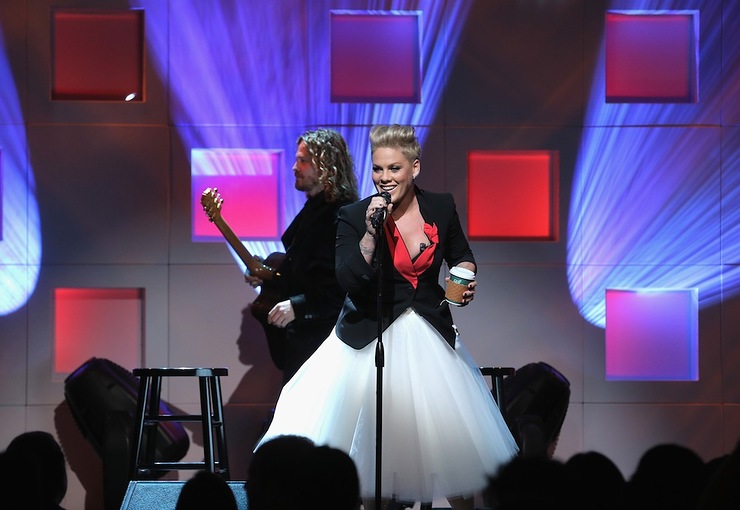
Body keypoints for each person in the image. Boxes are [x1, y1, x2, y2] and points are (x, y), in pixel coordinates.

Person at [257, 124, 518, 509]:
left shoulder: (441, 207)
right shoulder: (353, 214)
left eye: (394, 169)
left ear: (414, 168)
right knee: (370, 465)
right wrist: (368, 235)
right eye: (378, 169)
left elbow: (461, 254)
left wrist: (464, 279)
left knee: (451, 458)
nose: (385, 178)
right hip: (368, 336)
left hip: (429, 335)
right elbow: (347, 278)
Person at [245, 128, 359, 384]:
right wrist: (267, 277)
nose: (295, 167)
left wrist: (299, 306)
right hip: (305, 340)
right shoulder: (314, 209)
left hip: (327, 344)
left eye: (303, 160)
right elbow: (304, 270)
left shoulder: (342, 215)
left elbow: (344, 289)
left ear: (326, 166)